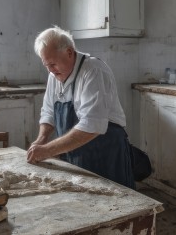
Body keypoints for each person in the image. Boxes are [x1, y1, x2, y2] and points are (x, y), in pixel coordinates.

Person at [26, 26, 135, 189]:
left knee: (113, 204)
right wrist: (41, 139)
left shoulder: (93, 71)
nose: (50, 70)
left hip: (105, 152)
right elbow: (49, 111)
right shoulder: (53, 75)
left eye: (53, 64)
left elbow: (92, 125)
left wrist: (47, 151)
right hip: (76, 153)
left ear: (69, 52)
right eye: (46, 65)